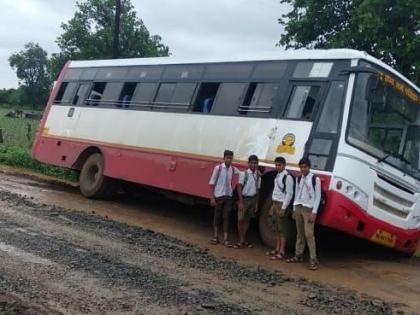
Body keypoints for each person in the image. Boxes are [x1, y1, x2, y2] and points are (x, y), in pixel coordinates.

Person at [287, 157, 321, 270]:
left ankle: (313, 259)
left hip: (309, 209)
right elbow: (296, 194)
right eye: (301, 167)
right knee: (300, 233)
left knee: (309, 234)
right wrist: (294, 208)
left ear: (309, 167)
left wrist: (314, 213)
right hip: (299, 207)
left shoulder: (315, 179)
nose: (303, 169)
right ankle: (298, 255)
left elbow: (318, 197)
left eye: (305, 167)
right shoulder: (298, 179)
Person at [209, 150, 239, 247]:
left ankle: (226, 239)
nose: (229, 160)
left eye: (231, 158)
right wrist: (212, 197)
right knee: (217, 216)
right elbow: (212, 182)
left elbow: (242, 173)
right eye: (227, 158)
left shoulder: (233, 169)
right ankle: (215, 236)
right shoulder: (218, 168)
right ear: (224, 158)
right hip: (219, 195)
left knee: (226, 217)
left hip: (228, 196)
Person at [266, 157, 294, 260]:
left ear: (284, 165)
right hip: (275, 203)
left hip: (281, 204)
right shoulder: (278, 175)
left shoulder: (288, 177)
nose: (278, 167)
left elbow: (289, 194)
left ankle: (281, 251)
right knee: (277, 228)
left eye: (280, 165)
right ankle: (277, 249)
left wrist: (283, 208)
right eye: (276, 165)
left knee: (282, 229)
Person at [235, 155, 261, 249]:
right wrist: (241, 202)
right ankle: (241, 239)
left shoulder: (258, 175)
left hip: (253, 199)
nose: (253, 165)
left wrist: (257, 203)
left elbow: (258, 190)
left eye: (255, 163)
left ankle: (243, 239)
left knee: (247, 219)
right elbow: (239, 187)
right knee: (240, 219)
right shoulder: (244, 174)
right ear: (248, 163)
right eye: (252, 163)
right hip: (244, 199)